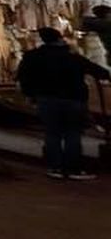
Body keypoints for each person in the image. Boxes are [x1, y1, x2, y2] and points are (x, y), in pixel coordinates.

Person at [17, 26, 109, 180]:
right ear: (60, 39)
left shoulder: (32, 57)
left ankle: (55, 168)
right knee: (72, 133)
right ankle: (73, 168)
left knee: (52, 133)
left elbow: (23, 77)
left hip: (46, 99)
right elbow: (98, 71)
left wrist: (30, 95)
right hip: (73, 99)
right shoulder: (71, 56)